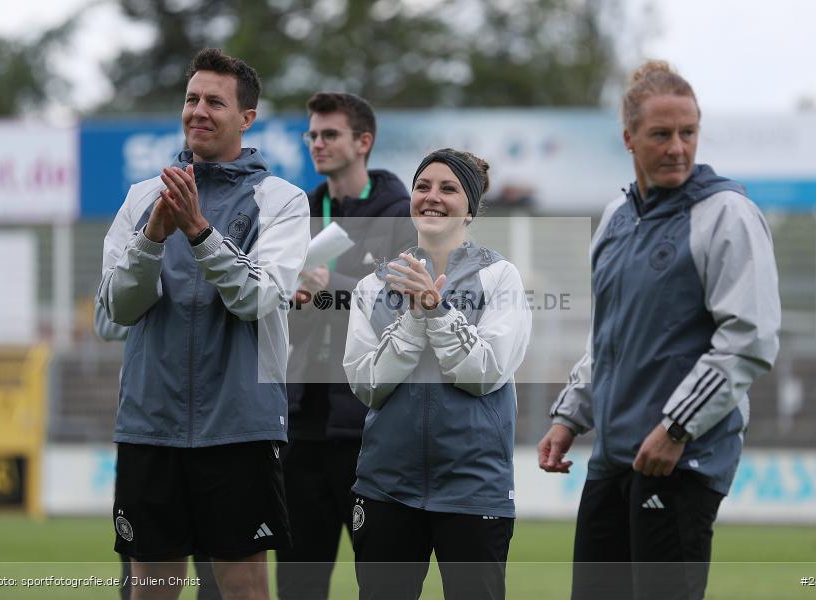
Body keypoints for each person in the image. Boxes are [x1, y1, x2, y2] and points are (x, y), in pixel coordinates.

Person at [537, 60, 781, 600]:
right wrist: (569, 416)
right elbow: (607, 338)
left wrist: (677, 428)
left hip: (681, 457)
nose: (678, 148)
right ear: (629, 138)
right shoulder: (615, 220)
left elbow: (750, 338)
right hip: (612, 456)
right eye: (661, 134)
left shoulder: (727, 215)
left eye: (688, 133)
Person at [97, 47, 310, 600]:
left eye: (215, 101)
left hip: (240, 425)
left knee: (242, 587)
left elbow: (258, 299)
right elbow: (118, 308)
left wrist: (198, 232)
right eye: (192, 99)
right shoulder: (141, 198)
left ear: (246, 118)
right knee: (152, 589)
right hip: (151, 423)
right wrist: (151, 241)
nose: (199, 111)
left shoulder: (281, 201)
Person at [343, 148, 532, 600]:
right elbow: (366, 385)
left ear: (470, 207)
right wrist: (413, 318)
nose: (432, 197)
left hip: (474, 488)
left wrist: (438, 311)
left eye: (449, 189)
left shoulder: (500, 277)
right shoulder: (373, 285)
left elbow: (485, 372)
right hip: (386, 487)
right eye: (423, 186)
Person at [277, 92, 416, 600]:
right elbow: (284, 317)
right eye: (312, 134)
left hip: (365, 429)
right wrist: (291, 298)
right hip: (300, 424)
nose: (317, 143)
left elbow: (401, 306)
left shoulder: (400, 212)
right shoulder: (303, 210)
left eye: (329, 134)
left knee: (379, 582)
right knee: (297, 582)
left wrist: (331, 286)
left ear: (364, 142)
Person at [92, 303, 223, 600]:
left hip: (220, 421)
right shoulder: (138, 253)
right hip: (150, 425)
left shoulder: (241, 257)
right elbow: (105, 321)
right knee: (145, 576)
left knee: (219, 573)